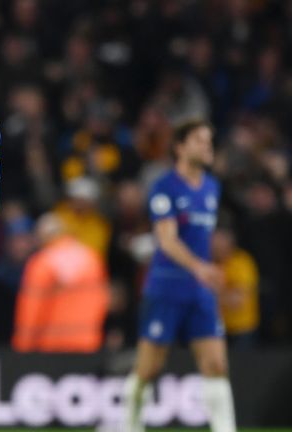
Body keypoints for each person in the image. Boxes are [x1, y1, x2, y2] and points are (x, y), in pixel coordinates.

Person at [123, 119, 236, 432]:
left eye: (209, 141)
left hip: (200, 291)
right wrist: (201, 268)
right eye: (200, 140)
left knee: (216, 364)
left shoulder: (212, 187)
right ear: (180, 147)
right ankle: (129, 424)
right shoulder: (164, 187)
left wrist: (209, 272)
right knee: (149, 368)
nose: (207, 146)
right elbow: (167, 240)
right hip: (166, 287)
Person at [12, 213, 109, 353]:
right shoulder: (91, 258)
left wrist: (23, 346)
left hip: (53, 345)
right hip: (88, 342)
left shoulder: (42, 262)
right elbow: (102, 301)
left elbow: (32, 309)